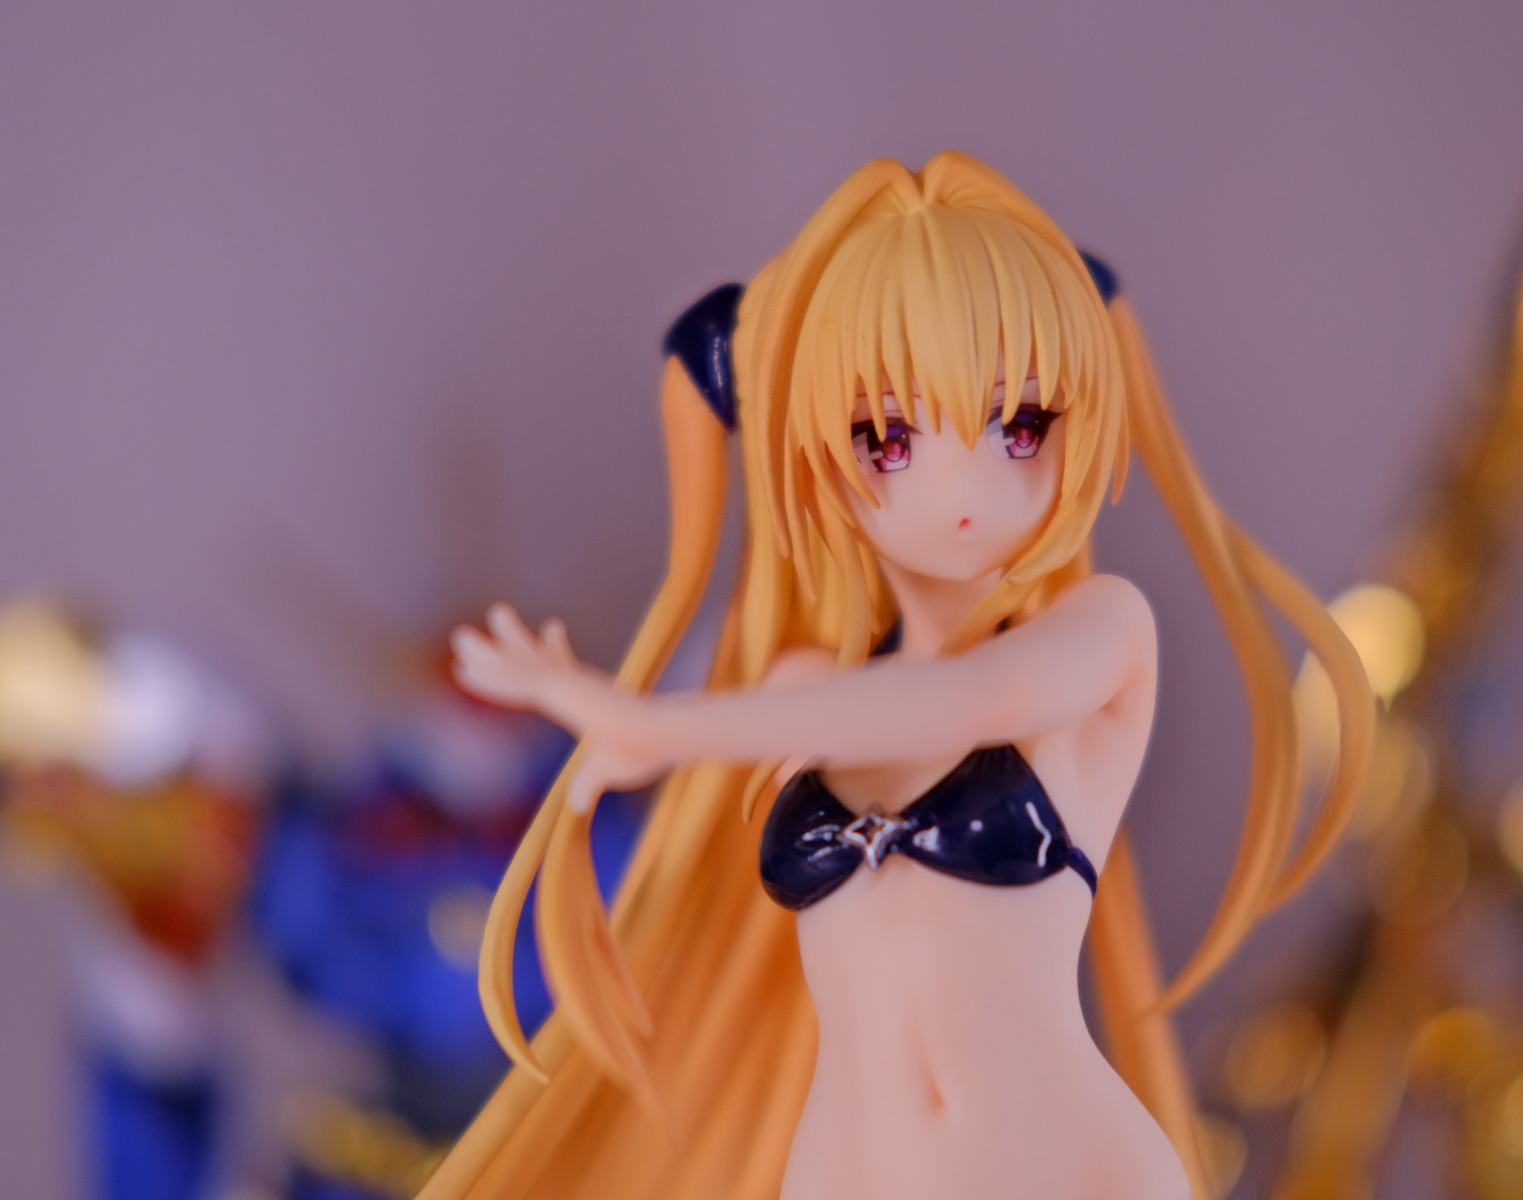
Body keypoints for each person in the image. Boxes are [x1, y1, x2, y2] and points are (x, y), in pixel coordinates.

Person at [423, 151, 1374, 1200]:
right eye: (885, 439)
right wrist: (651, 729)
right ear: (812, 449)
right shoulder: (794, 692)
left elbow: (974, 700)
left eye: (1019, 425)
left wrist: (656, 726)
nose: (961, 486)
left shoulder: (1102, 637)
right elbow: (830, 716)